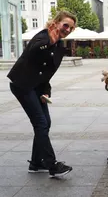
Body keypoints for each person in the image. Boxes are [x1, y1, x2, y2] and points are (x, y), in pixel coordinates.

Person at [7, 11, 76, 178]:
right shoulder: (42, 37)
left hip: (38, 86)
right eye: (65, 25)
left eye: (71, 28)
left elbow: (48, 72)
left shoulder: (60, 47)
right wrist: (49, 41)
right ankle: (51, 164)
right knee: (40, 123)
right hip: (22, 84)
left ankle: (37, 163)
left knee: (46, 122)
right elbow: (34, 50)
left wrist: (45, 92)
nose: (67, 29)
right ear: (56, 23)